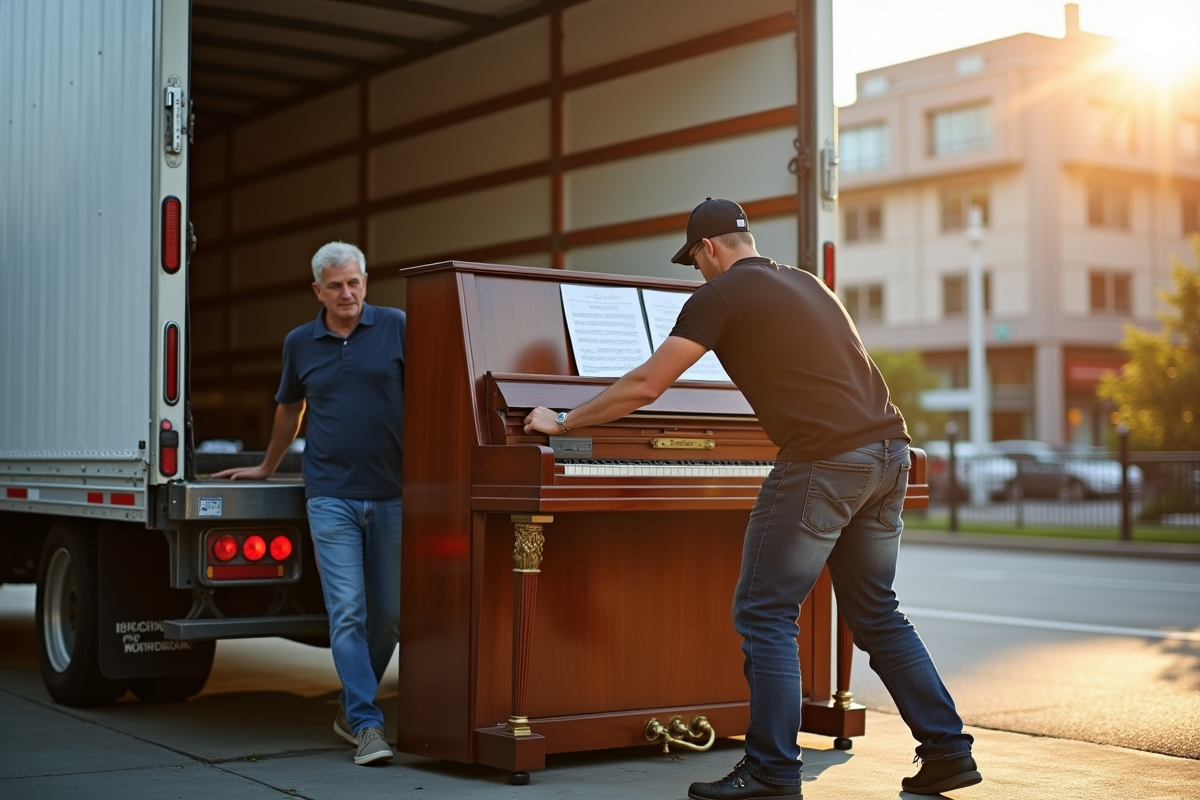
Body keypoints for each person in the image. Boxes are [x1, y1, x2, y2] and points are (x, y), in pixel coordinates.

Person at [523, 199, 979, 799]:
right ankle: (947, 752)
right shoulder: (808, 283)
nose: (697, 272)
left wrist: (562, 420)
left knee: (765, 613)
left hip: (824, 460)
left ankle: (770, 769)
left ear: (708, 248)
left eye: (694, 261)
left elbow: (647, 384)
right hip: (887, 452)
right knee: (877, 614)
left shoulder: (720, 295)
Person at [214, 241, 405, 767]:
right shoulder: (300, 342)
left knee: (388, 617)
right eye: (335, 285)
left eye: (354, 283)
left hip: (392, 493)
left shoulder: (396, 326)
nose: (347, 294)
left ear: (366, 282)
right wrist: (268, 467)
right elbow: (288, 409)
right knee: (348, 612)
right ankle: (367, 725)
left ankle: (349, 709)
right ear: (317, 290)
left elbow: (432, 394)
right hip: (330, 497)